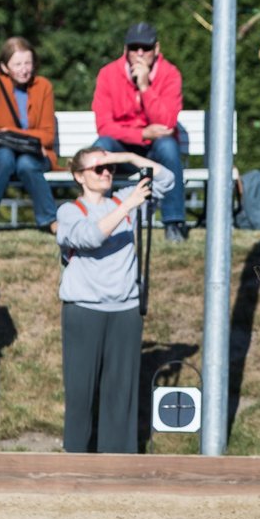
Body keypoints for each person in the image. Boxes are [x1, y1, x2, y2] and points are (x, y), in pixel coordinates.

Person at [56, 146, 172, 453]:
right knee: (80, 393)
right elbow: (89, 238)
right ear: (80, 176)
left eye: (109, 168)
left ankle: (118, 462)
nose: (106, 173)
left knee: (121, 394)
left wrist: (128, 159)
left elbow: (168, 179)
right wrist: (129, 205)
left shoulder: (124, 198)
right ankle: (75, 459)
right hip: (83, 310)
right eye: (98, 168)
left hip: (125, 309)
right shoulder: (70, 211)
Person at [91, 22, 187, 242]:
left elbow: (166, 124)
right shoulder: (108, 74)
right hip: (123, 148)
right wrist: (142, 134)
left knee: (168, 146)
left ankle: (173, 222)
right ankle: (97, 216)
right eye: (134, 48)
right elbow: (105, 126)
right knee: (102, 147)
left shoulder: (170, 74)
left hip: (156, 151)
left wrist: (145, 87)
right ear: (125, 50)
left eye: (146, 48)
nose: (140, 54)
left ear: (157, 49)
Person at [0, 37, 60, 233]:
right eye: (18, 64)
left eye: (28, 63)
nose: (24, 69)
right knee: (5, 156)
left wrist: (7, 132)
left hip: (34, 155)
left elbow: (47, 137)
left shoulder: (43, 86)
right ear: (5, 67)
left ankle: (49, 219)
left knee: (26, 163)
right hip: (0, 155)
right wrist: (24, 138)